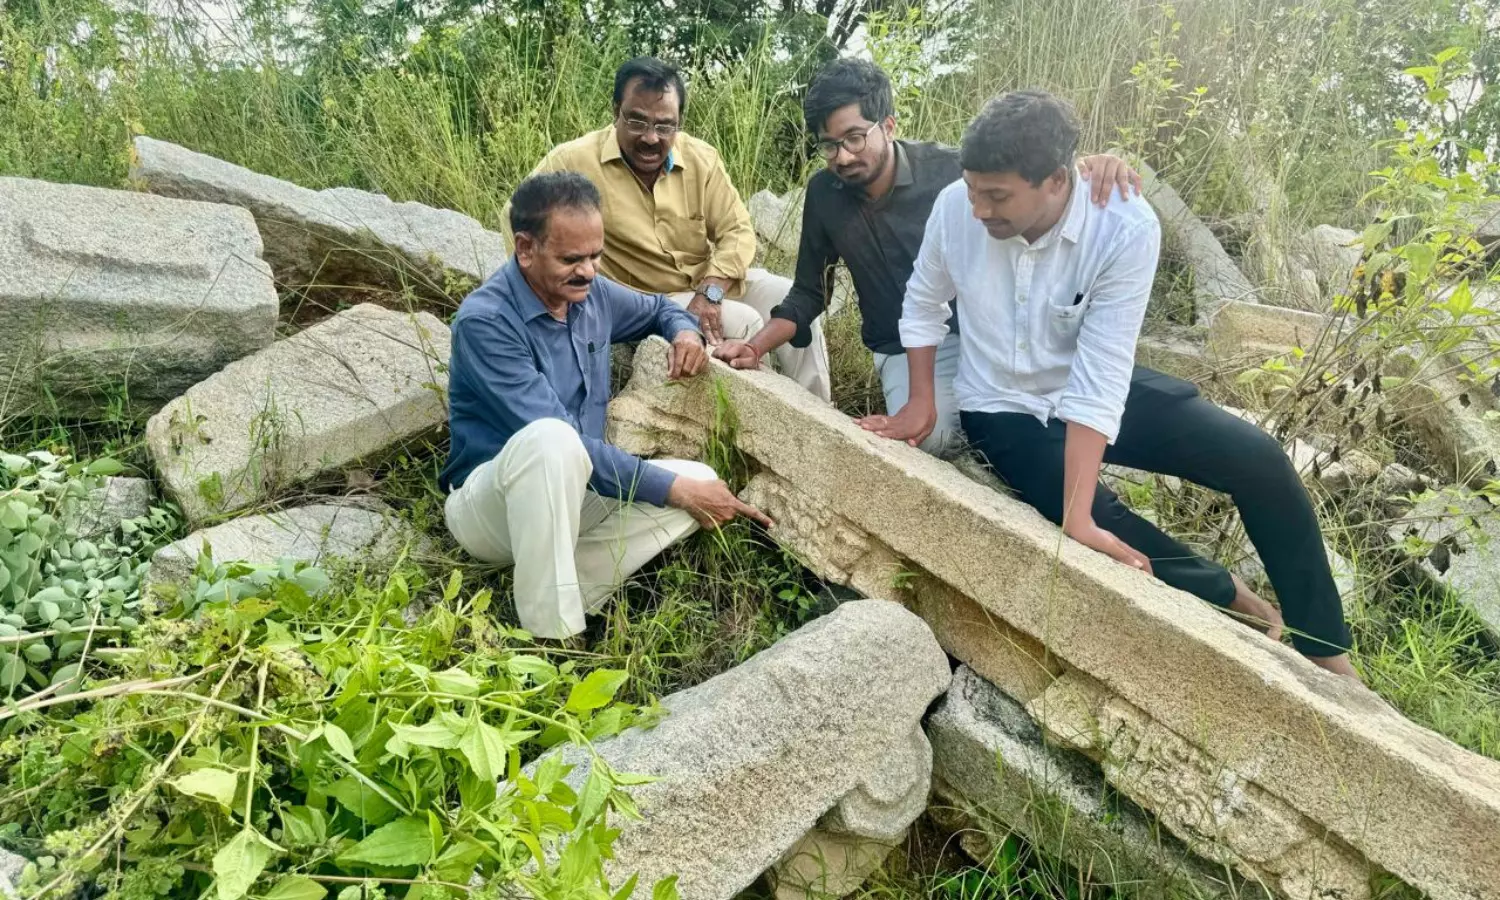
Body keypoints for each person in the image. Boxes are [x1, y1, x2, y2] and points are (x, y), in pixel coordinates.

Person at [863, 89, 1358, 678]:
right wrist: (921, 403)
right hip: (999, 404)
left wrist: (1076, 515)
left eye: (997, 196)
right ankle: (1225, 594)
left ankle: (1323, 648)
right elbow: (924, 303)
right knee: (1090, 515)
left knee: (1258, 459)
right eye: (973, 190)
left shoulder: (1123, 224)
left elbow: (1101, 376)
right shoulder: (955, 207)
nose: (978, 208)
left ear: (1057, 180)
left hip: (1090, 384)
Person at [713, 58, 1139, 456]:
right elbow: (810, 292)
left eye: (854, 138)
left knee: (1046, 418)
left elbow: (1031, 180)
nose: (842, 156)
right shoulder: (824, 195)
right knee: (931, 440)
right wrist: (753, 347)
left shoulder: (951, 173)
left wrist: (1090, 168)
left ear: (888, 125)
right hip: (901, 348)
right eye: (829, 145)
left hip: (985, 335)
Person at [442, 172, 771, 640]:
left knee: (698, 479)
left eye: (595, 256)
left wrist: (685, 332)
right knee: (554, 441)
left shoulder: (590, 294)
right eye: (571, 259)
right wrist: (674, 489)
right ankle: (552, 637)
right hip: (492, 509)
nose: (588, 271)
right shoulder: (487, 323)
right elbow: (565, 442)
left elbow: (661, 308)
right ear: (525, 248)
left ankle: (552, 585)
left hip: (577, 490)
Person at [511, 56, 832, 403]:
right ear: (616, 111)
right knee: (744, 321)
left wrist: (711, 291)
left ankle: (823, 417)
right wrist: (539, 293)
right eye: (637, 121)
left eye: (665, 126)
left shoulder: (700, 158)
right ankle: (766, 425)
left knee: (792, 302)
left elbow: (738, 231)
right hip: (653, 298)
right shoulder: (574, 160)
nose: (651, 137)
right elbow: (516, 212)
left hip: (710, 283)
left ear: (680, 122)